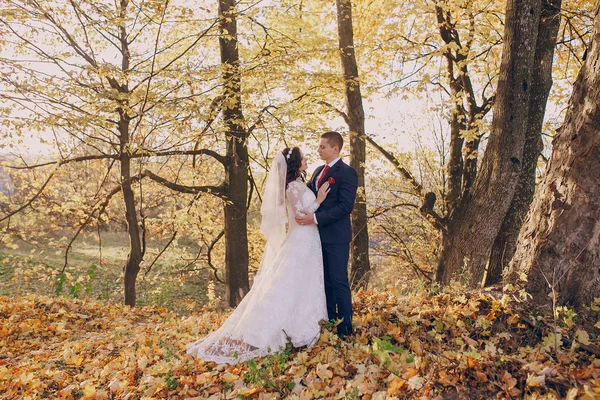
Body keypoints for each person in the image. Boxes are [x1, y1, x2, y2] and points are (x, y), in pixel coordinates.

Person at [186, 147, 331, 364]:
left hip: (309, 240)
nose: (307, 160)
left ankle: (308, 321)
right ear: (295, 164)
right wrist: (319, 200)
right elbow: (300, 216)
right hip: (301, 239)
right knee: (289, 282)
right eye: (303, 158)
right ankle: (279, 327)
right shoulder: (291, 187)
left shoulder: (300, 183)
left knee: (305, 281)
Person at [295, 131, 358, 339]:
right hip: (315, 238)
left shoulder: (347, 172)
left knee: (338, 279)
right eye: (319, 146)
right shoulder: (318, 170)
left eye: (322, 147)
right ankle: (331, 320)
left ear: (335, 149)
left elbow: (345, 207)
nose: (318, 150)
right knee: (325, 281)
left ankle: (346, 327)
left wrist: (315, 219)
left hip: (337, 236)